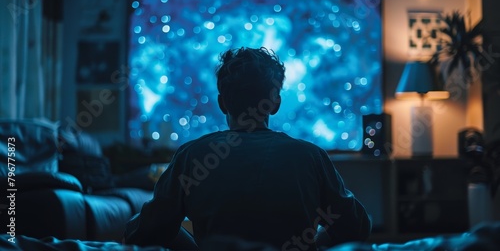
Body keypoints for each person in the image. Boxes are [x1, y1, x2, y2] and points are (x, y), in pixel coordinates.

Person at [123, 47, 371, 250]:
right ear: (275, 103)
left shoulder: (192, 156)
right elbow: (356, 228)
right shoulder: (311, 156)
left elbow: (144, 233)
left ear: (222, 103)